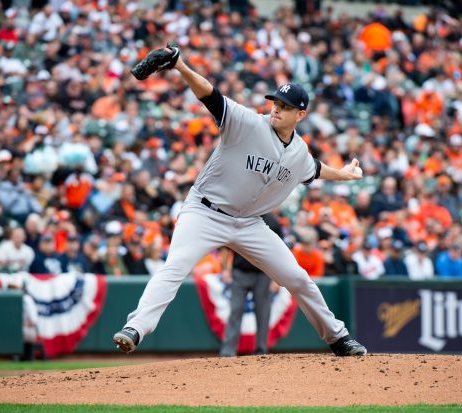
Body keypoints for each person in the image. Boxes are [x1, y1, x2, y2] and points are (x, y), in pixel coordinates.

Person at [113, 44, 367, 357]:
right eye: (275, 102)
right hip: (204, 212)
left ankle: (338, 338)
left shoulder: (299, 153)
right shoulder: (247, 123)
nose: (276, 108)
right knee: (175, 267)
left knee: (297, 278)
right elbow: (209, 94)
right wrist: (179, 65)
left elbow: (314, 170)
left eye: (285, 106)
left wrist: (343, 174)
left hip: (249, 224)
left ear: (301, 114)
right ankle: (135, 328)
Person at [219, 212, 282, 357]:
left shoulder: (271, 221)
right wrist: (225, 269)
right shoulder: (241, 216)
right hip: (240, 271)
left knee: (263, 313)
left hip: (263, 273)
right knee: (235, 311)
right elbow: (226, 244)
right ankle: (228, 352)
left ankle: (261, 351)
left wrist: (276, 277)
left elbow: (279, 250)